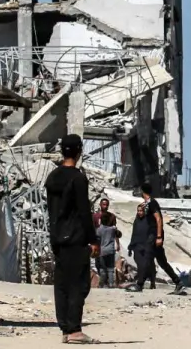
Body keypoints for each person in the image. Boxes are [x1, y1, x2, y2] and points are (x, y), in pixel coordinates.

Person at [44, 134, 96, 344]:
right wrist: (93, 240)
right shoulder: (78, 178)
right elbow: (84, 212)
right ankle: (74, 329)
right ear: (79, 151)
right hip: (75, 237)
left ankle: (65, 328)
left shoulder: (53, 177)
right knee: (79, 284)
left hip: (58, 237)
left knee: (62, 284)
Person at [139, 182, 182, 293]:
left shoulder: (153, 203)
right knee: (162, 262)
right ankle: (178, 282)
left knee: (147, 259)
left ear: (143, 191)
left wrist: (158, 237)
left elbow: (158, 219)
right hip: (153, 235)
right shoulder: (148, 203)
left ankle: (139, 285)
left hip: (154, 235)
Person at [127, 202, 157, 291]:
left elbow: (153, 233)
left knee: (148, 265)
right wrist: (130, 247)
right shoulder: (136, 221)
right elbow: (134, 234)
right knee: (140, 265)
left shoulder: (149, 220)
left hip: (147, 247)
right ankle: (140, 283)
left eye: (141, 211)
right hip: (137, 246)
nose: (140, 212)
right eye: (138, 211)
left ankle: (150, 282)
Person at [96, 207, 121, 288]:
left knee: (102, 269)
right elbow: (119, 235)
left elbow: (97, 239)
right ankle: (111, 284)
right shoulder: (112, 229)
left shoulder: (99, 229)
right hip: (110, 251)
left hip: (102, 251)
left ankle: (102, 284)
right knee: (110, 268)